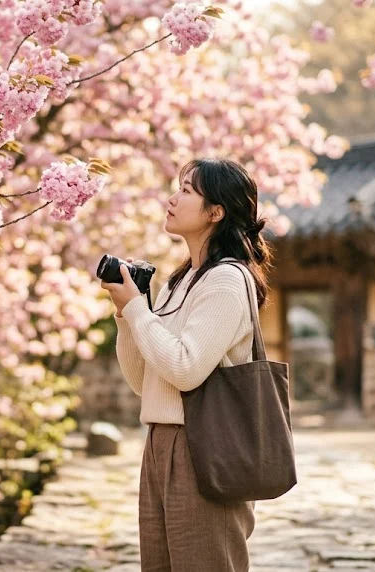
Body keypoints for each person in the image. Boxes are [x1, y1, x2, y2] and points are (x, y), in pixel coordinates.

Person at [99, 158, 273, 572]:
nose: (173, 198)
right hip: (160, 443)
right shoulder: (180, 282)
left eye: (187, 191)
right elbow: (144, 380)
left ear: (216, 212)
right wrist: (126, 315)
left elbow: (186, 369)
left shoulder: (227, 280)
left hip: (204, 447)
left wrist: (138, 311)